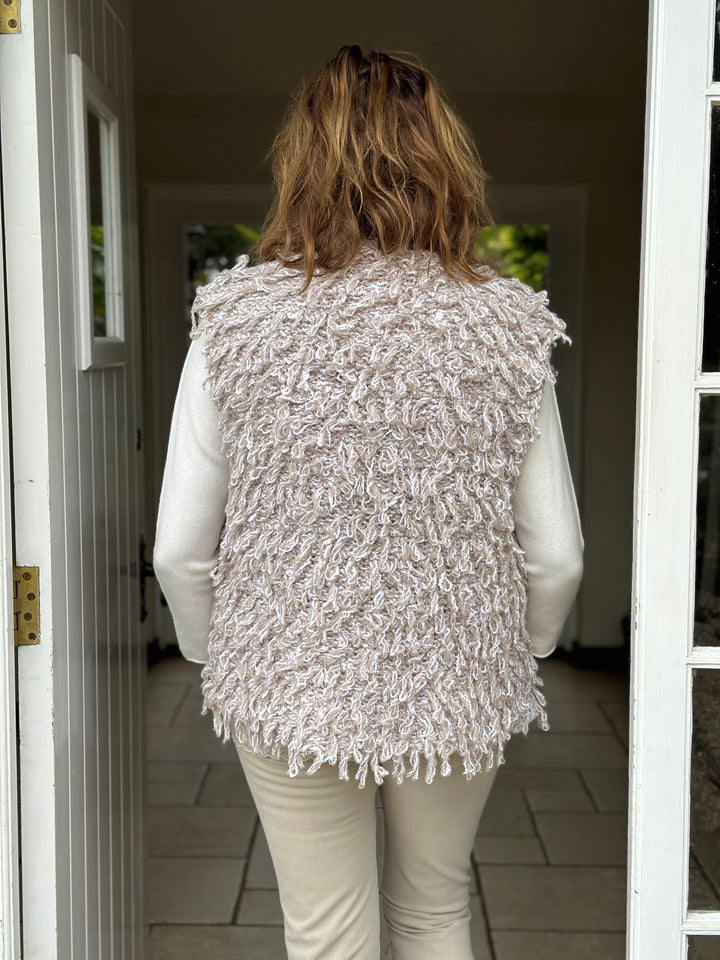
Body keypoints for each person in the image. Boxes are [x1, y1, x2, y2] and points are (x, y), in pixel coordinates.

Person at [154, 45, 583, 960]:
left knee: (325, 932)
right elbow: (558, 556)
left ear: (302, 161)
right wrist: (528, 643)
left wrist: (211, 648)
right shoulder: (507, 324)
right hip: (457, 667)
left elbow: (179, 551)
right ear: (444, 160)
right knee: (433, 910)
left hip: (286, 667)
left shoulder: (235, 319)